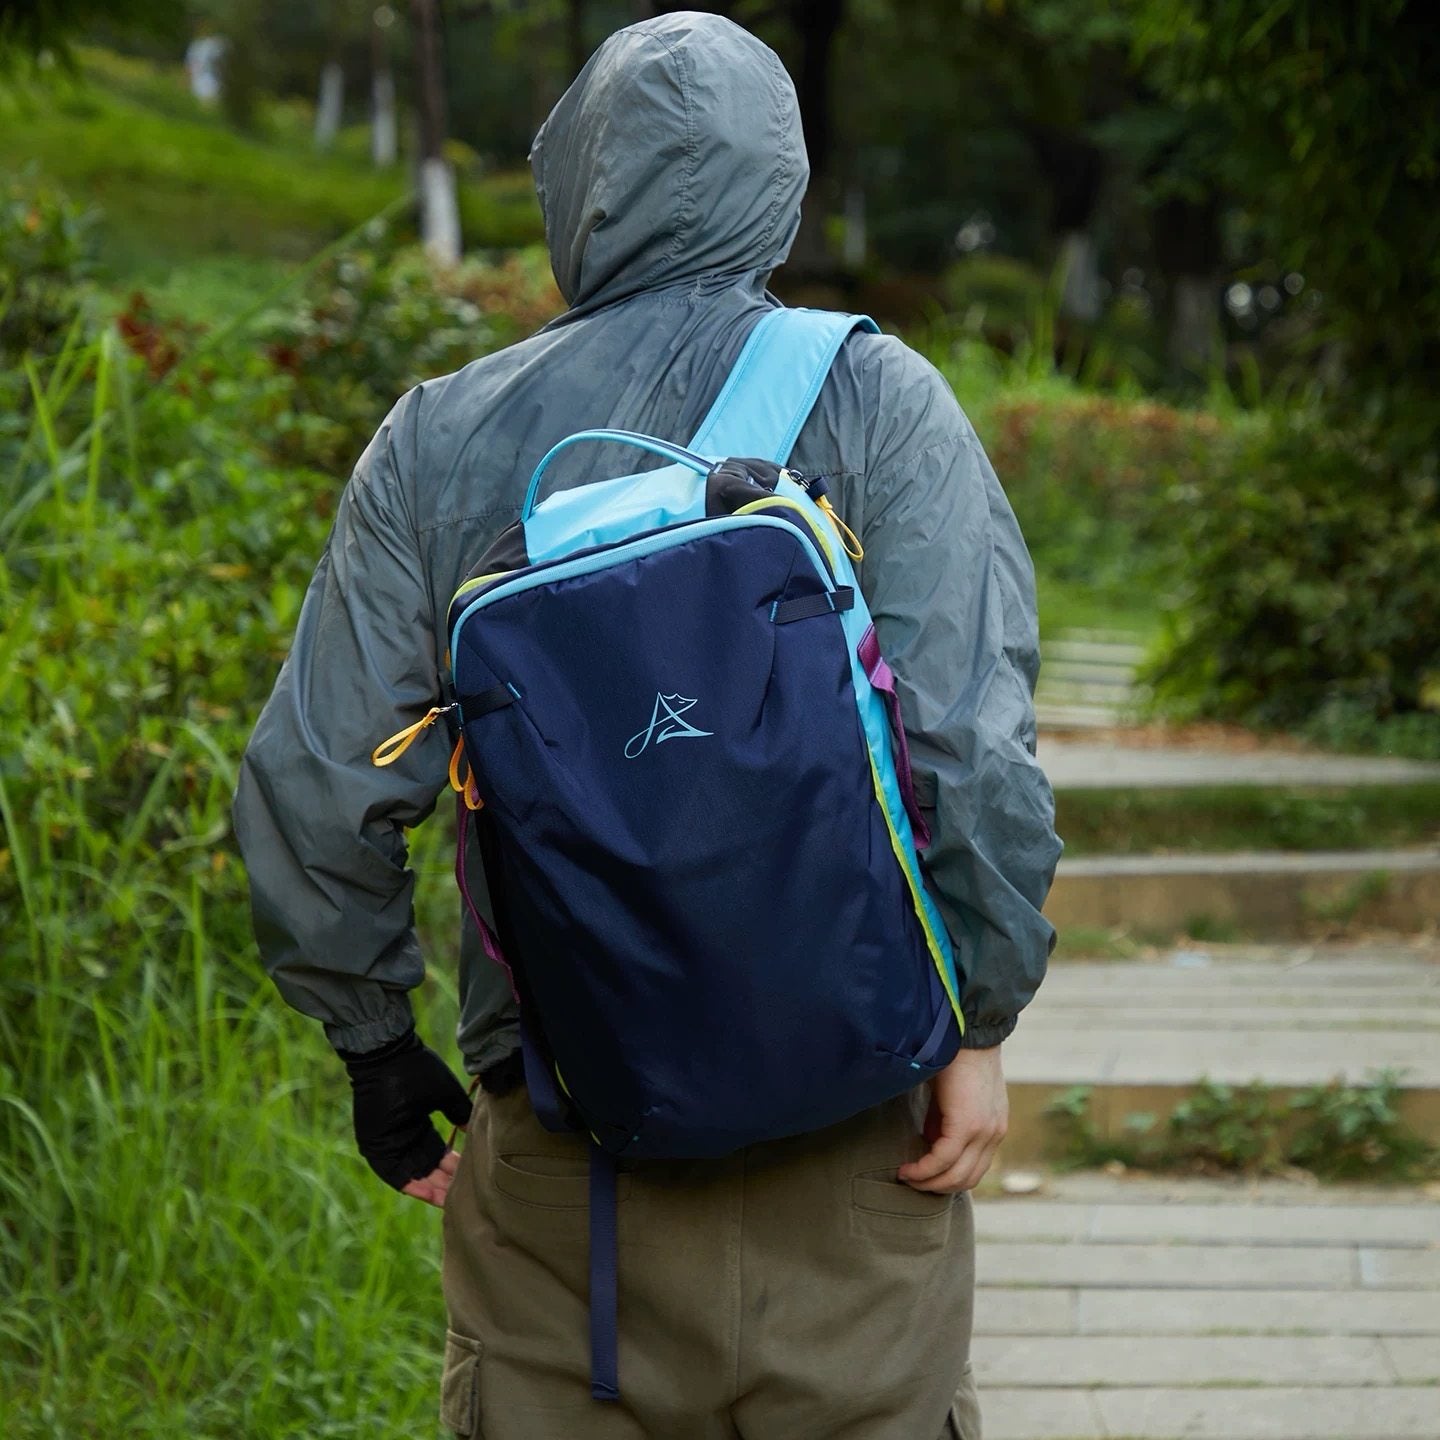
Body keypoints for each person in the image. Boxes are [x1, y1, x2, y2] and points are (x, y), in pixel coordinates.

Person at [234, 12, 1059, 1439]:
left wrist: (375, 1042)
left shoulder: (439, 439)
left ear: (577, 194)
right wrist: (976, 1020)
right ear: (780, 187)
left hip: (568, 1163)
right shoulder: (880, 401)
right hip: (855, 1135)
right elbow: (968, 749)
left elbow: (319, 786)